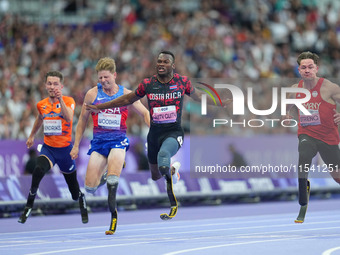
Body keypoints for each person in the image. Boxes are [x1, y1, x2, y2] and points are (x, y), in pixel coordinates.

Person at [86, 51, 227, 221]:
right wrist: (101, 107)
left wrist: (219, 102)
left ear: (172, 66)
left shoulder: (182, 82)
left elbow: (199, 97)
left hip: (173, 133)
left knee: (163, 156)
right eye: (159, 61)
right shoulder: (148, 84)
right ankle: (172, 169)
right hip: (154, 135)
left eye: (165, 61)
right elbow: (126, 100)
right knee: (155, 175)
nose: (161, 64)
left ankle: (173, 203)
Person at [70, 57, 150, 235]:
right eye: (100, 78)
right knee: (90, 188)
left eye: (106, 77)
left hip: (118, 141)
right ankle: (109, 172)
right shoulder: (92, 94)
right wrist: (75, 145)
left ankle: (113, 219)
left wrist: (152, 128)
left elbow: (144, 112)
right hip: (99, 143)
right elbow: (82, 121)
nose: (103, 81)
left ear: (114, 75)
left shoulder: (126, 94)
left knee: (113, 180)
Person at [18, 71, 88, 224]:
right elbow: (39, 119)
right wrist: (31, 135)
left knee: (74, 192)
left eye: (56, 84)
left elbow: (69, 118)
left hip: (65, 152)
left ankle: (81, 198)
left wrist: (60, 99)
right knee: (38, 170)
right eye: (49, 83)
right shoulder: (41, 104)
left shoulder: (68, 100)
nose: (52, 86)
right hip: (49, 149)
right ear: (45, 85)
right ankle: (28, 206)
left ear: (61, 86)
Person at [286, 51, 340, 222]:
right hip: (306, 134)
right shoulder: (295, 90)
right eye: (303, 67)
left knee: (337, 176)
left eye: (310, 67)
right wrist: (288, 115)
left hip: (328, 138)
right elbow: (290, 107)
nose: (307, 70)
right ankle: (303, 206)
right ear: (299, 70)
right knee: (303, 159)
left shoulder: (329, 87)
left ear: (317, 68)